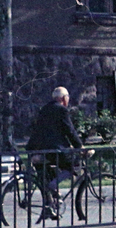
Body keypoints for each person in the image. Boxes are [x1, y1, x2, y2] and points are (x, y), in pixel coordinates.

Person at [26, 86, 83, 220]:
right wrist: (79, 146)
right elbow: (69, 130)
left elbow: (37, 129)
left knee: (47, 173)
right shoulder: (62, 110)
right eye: (67, 98)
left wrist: (30, 149)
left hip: (40, 149)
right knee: (74, 166)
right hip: (55, 149)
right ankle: (53, 187)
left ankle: (50, 205)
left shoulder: (44, 109)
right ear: (64, 98)